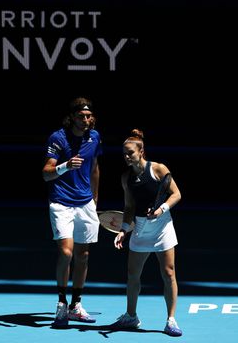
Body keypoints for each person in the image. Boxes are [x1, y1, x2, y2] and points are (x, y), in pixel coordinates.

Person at [110, 129, 183, 337]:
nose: (126, 157)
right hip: (141, 229)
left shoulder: (159, 169)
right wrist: (123, 230)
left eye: (130, 153)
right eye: (124, 153)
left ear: (141, 151)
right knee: (133, 275)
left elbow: (176, 194)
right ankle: (131, 316)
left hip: (162, 228)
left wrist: (162, 209)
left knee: (169, 273)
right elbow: (129, 206)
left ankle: (171, 320)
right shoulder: (126, 178)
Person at [42, 97, 102, 327]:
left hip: (85, 203)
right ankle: (61, 304)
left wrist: (95, 199)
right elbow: (46, 173)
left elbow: (95, 168)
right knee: (66, 253)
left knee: (83, 255)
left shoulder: (94, 137)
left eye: (88, 116)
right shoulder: (58, 138)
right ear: (72, 117)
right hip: (61, 203)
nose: (85, 120)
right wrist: (66, 165)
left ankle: (76, 306)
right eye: (81, 116)